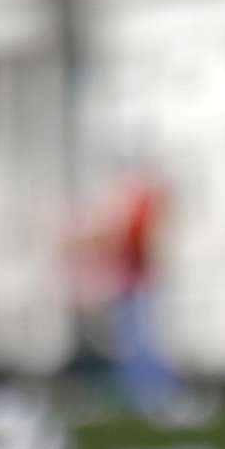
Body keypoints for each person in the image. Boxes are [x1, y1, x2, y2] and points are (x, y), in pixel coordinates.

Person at [86, 157, 182, 413]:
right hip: (131, 280)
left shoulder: (140, 206)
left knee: (140, 340)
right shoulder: (137, 205)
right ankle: (142, 390)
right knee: (135, 339)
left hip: (135, 280)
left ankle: (150, 390)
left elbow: (132, 242)